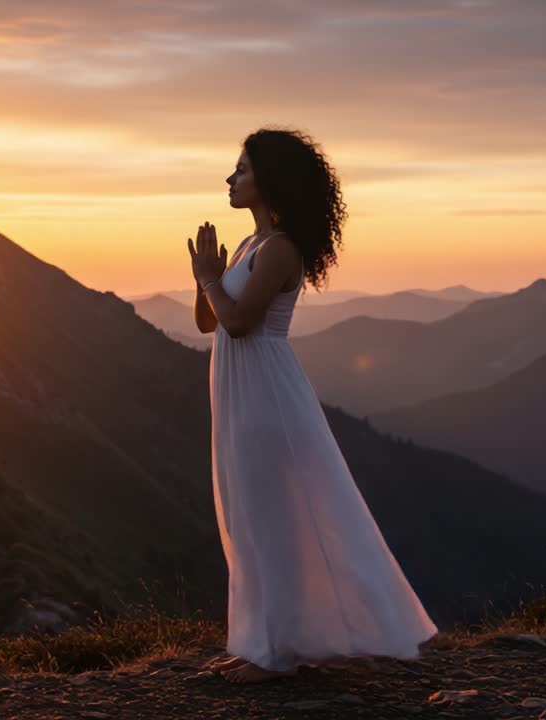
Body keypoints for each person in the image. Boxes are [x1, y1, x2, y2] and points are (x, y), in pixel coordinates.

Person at [185, 127, 439, 684]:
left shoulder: (279, 249)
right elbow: (211, 321)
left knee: (269, 514)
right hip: (242, 386)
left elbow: (239, 321)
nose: (231, 178)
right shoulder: (252, 245)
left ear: (269, 180)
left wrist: (210, 281)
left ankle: (276, 653)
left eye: (243, 169)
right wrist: (205, 279)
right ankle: (260, 643)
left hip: (264, 390)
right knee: (248, 512)